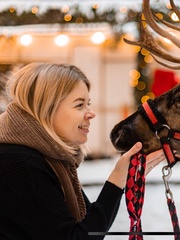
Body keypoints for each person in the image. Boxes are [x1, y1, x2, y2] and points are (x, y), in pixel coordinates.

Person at [0, 62, 165, 240]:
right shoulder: (19, 163)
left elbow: (86, 225)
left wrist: (122, 178)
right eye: (79, 105)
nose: (91, 113)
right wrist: (117, 179)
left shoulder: (47, 158)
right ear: (47, 108)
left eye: (88, 103)